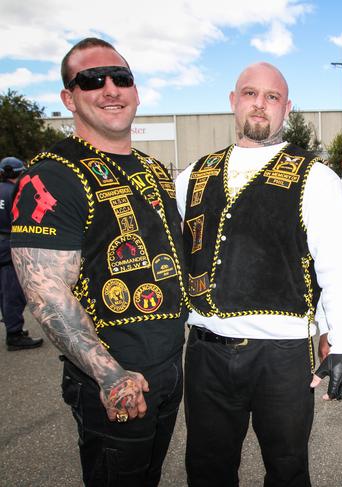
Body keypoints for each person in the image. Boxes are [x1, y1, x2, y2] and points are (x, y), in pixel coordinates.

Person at [175, 62, 342, 487]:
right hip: (206, 351)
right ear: (233, 101)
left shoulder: (315, 177)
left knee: (287, 469)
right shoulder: (192, 177)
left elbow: (341, 267)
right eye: (250, 94)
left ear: (287, 108)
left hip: (281, 357)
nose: (259, 105)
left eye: (272, 97)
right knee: (207, 470)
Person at [11, 38, 188, 486]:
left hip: (169, 368)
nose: (110, 88)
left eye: (120, 77)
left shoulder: (150, 169)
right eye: (91, 80)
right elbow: (47, 292)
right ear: (69, 98)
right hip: (114, 378)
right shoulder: (51, 174)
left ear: (136, 91)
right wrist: (110, 376)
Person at [0, 156, 43, 350]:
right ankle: (14, 334)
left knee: (4, 291)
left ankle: (12, 326)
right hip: (9, 244)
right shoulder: (16, 193)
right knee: (13, 292)